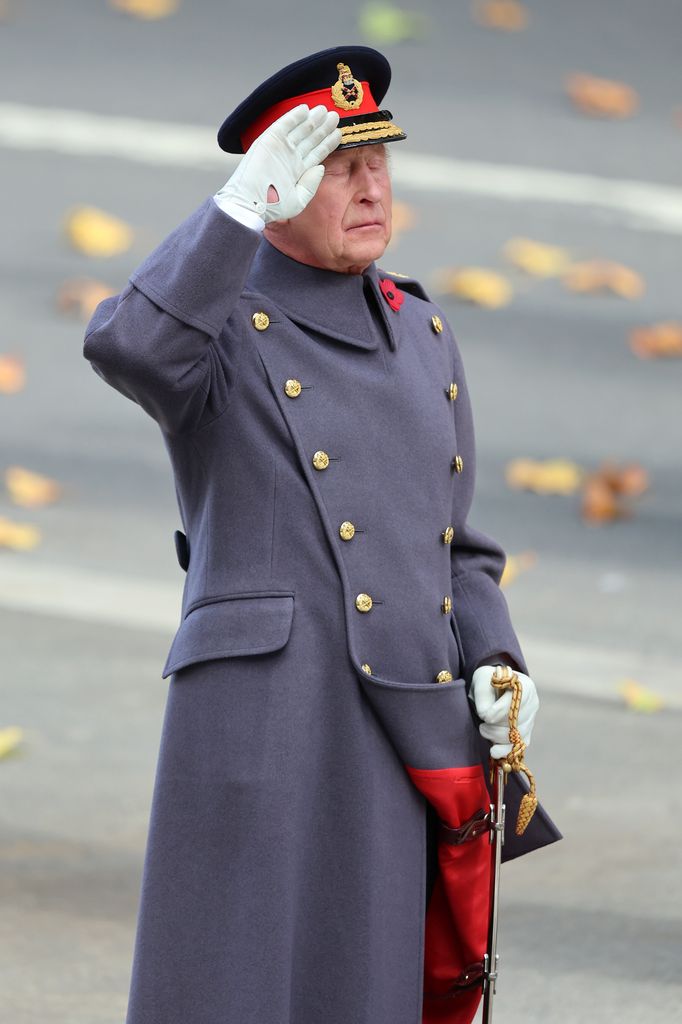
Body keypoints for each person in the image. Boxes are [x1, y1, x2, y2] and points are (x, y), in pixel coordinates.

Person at [83, 45, 560, 1024]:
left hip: (398, 716)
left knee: (365, 983)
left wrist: (494, 654)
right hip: (267, 714)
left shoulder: (421, 330)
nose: (370, 187)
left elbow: (452, 539)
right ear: (283, 186)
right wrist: (231, 213)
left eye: (378, 162)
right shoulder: (219, 323)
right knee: (236, 983)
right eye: (337, 168)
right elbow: (128, 347)